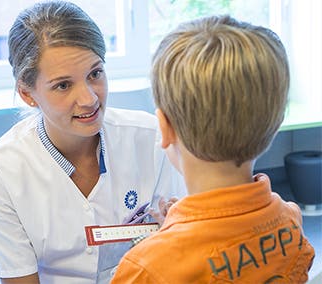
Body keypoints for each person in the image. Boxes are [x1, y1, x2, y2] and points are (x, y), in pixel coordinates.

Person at [0, 1, 185, 283]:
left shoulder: (151, 138)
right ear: (27, 93)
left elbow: (181, 254)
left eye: (95, 74)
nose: (89, 99)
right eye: (63, 85)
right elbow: (20, 278)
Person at [111, 15, 316, 283]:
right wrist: (173, 231)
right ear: (274, 125)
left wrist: (162, 247)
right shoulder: (290, 220)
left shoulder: (144, 268)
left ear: (165, 128)